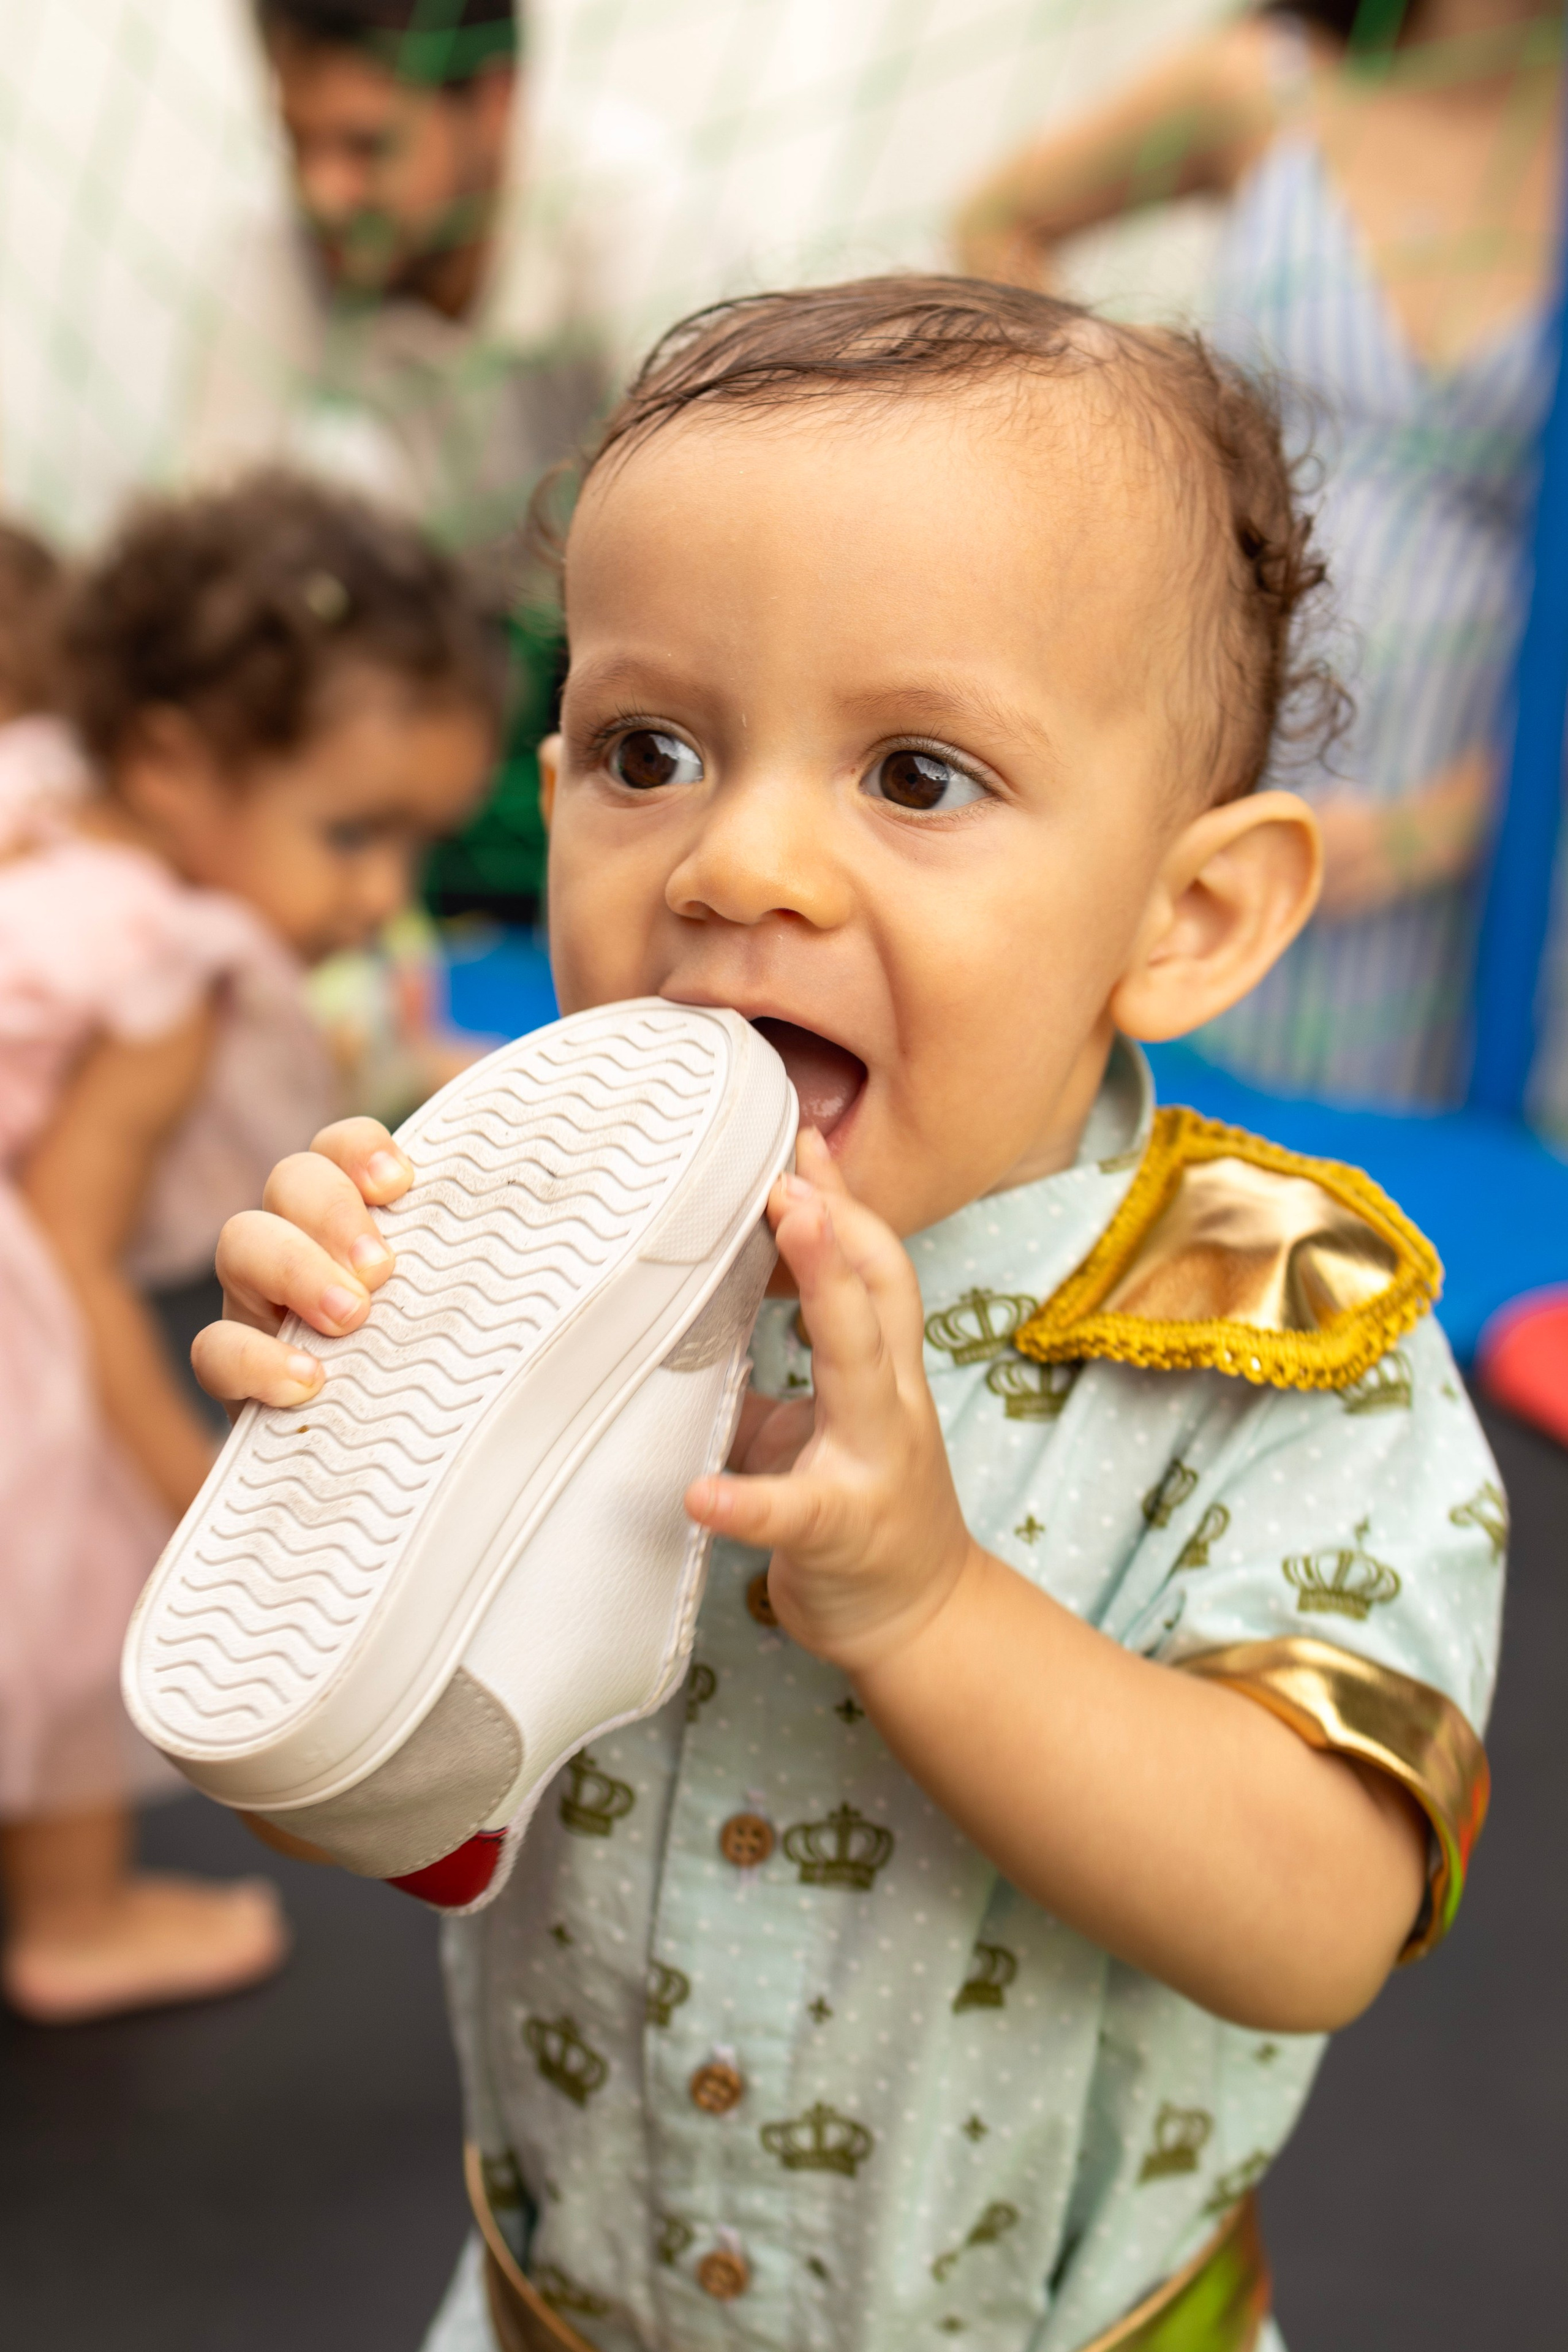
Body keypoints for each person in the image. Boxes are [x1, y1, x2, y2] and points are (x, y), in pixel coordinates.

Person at [194, 279, 1502, 2351]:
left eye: (916, 772)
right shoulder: (504, 1228)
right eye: (651, 753)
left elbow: (1318, 1922)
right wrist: (322, 1487)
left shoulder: (1278, 1337)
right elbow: (411, 1835)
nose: (740, 863)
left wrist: (927, 1603)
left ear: (1185, 913)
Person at [0, 472, 501, 2024]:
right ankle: (76, 1916)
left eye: (410, 845)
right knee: (63, 1578)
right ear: (170, 763)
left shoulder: (38, 795)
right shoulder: (169, 961)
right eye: (351, 835)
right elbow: (70, 1254)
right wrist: (186, 1497)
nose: (379, 895)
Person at [954, 0, 1564, 1104]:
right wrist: (1117, 438)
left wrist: (1463, 816)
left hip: (1466, 818)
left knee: (1382, 1163)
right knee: (1112, 1085)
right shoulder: (1258, 85)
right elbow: (1001, 216)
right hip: (1207, 685)